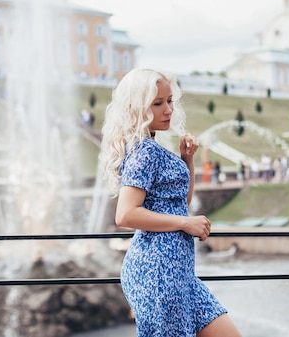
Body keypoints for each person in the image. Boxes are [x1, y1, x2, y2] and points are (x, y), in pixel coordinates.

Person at [99, 68, 241, 337]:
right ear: (138, 107)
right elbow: (126, 214)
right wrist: (186, 223)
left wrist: (187, 160)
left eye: (170, 100)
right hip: (158, 273)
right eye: (157, 103)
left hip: (180, 275)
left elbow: (180, 202)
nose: (168, 110)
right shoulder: (145, 152)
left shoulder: (152, 148)